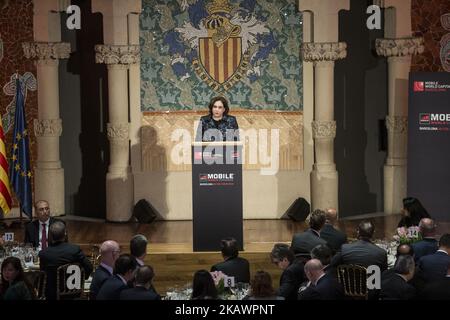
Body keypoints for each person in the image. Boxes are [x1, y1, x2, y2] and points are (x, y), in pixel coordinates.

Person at [38, 221, 93, 300]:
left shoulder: (44, 254)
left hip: (52, 296)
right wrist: (80, 280)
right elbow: (89, 267)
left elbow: (42, 277)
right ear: (65, 233)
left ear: (50, 235)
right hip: (74, 295)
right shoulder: (74, 250)